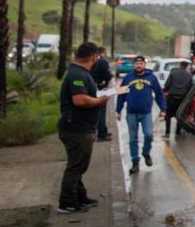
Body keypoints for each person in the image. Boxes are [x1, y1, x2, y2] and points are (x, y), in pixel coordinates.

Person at [57, 41, 112, 214]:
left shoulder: (80, 72)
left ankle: (80, 197)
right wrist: (100, 100)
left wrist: (99, 94)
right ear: (94, 56)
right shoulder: (78, 75)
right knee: (76, 167)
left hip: (81, 128)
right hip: (76, 130)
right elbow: (80, 100)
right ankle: (67, 203)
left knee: (78, 165)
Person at [116, 56, 166, 174]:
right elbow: (121, 95)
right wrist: (118, 110)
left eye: (141, 63)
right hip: (131, 113)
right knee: (133, 138)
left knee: (148, 134)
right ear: (134, 65)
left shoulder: (151, 77)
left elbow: (159, 94)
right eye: (137, 63)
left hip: (146, 113)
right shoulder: (128, 78)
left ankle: (146, 152)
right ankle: (135, 162)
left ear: (144, 65)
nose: (139, 65)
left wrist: (163, 108)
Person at [162, 60, 192, 138]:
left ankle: (167, 133)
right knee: (180, 115)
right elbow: (190, 87)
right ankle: (178, 132)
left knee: (168, 116)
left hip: (172, 97)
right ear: (186, 66)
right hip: (182, 98)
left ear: (180, 65)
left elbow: (167, 85)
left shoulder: (173, 73)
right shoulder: (189, 75)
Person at [90, 46, 113, 141]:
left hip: (92, 88)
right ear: (103, 52)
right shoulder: (102, 62)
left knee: (96, 111)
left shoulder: (91, 61)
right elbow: (108, 75)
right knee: (101, 111)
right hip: (101, 89)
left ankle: (101, 131)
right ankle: (101, 134)